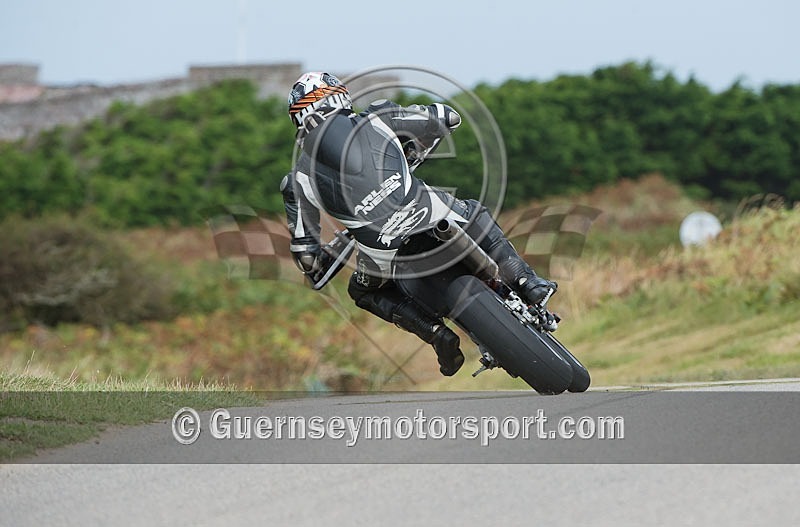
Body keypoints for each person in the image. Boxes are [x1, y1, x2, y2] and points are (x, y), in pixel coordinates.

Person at [280, 71, 557, 376]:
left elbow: (308, 261)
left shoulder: (297, 180)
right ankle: (527, 281)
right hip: (427, 210)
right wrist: (413, 151)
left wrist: (340, 243)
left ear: (299, 118)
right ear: (339, 96)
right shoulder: (378, 115)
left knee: (363, 292)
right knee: (475, 211)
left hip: (378, 250)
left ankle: (436, 334)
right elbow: (446, 118)